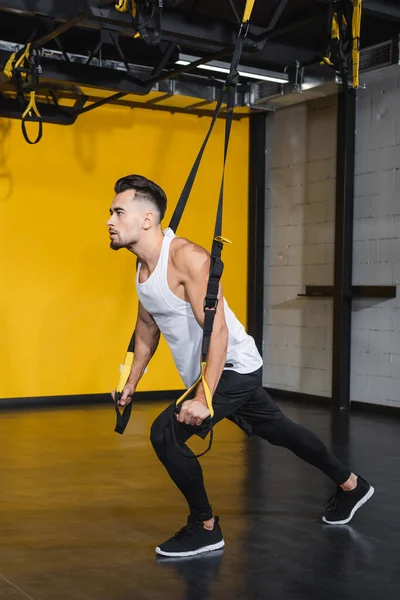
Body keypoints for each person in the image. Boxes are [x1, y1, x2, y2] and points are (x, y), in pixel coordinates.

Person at [107, 174, 374, 558]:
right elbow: (147, 325)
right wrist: (130, 381)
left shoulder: (187, 257)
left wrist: (203, 396)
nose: (109, 220)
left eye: (118, 211)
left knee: (166, 433)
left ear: (147, 219)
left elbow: (216, 333)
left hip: (233, 364)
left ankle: (205, 526)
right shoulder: (143, 269)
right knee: (281, 430)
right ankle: (351, 484)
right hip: (217, 371)